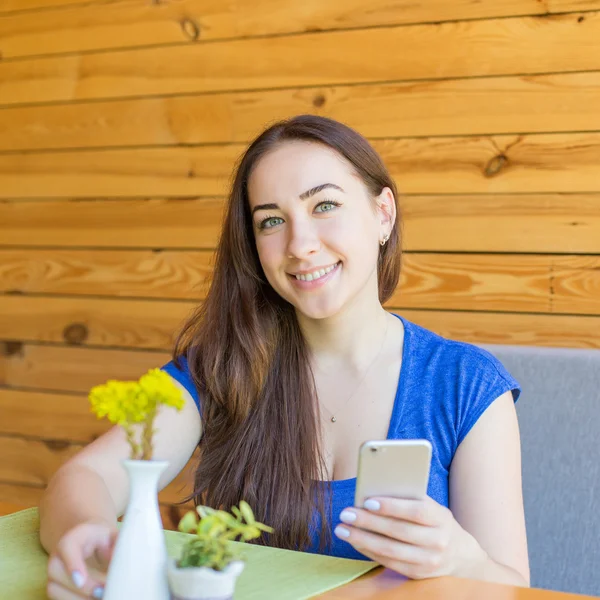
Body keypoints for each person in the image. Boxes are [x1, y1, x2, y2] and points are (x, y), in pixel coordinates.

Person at [40, 115, 530, 599]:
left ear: (383, 214)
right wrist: (88, 536)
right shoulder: (223, 367)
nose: (299, 245)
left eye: (324, 205)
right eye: (271, 220)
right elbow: (85, 475)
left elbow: (515, 589)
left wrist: (460, 560)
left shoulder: (466, 383)